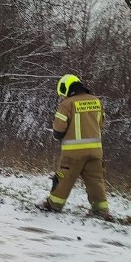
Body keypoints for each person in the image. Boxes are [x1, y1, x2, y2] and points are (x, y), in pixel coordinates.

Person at [40, 73, 113, 220]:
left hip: (73, 153)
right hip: (96, 151)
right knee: (95, 180)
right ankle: (101, 210)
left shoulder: (67, 104)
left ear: (66, 88)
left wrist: (58, 135)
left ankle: (54, 205)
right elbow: (101, 123)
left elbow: (59, 129)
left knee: (63, 178)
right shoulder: (96, 101)